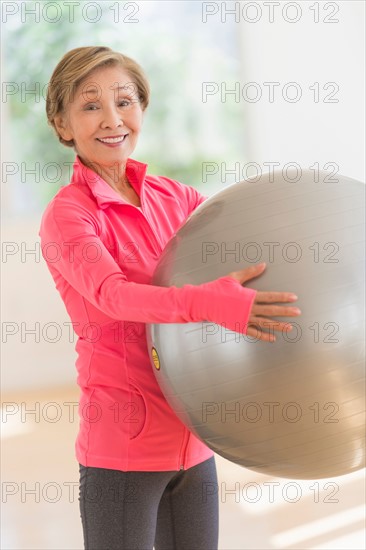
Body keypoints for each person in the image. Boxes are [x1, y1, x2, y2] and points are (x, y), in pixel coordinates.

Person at [39, 46, 301, 550]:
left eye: (125, 101)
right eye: (90, 105)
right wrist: (207, 303)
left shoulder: (176, 198)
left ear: (142, 109)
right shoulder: (69, 215)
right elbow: (114, 296)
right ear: (63, 124)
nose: (112, 119)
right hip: (123, 449)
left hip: (195, 437)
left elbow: (237, 256)